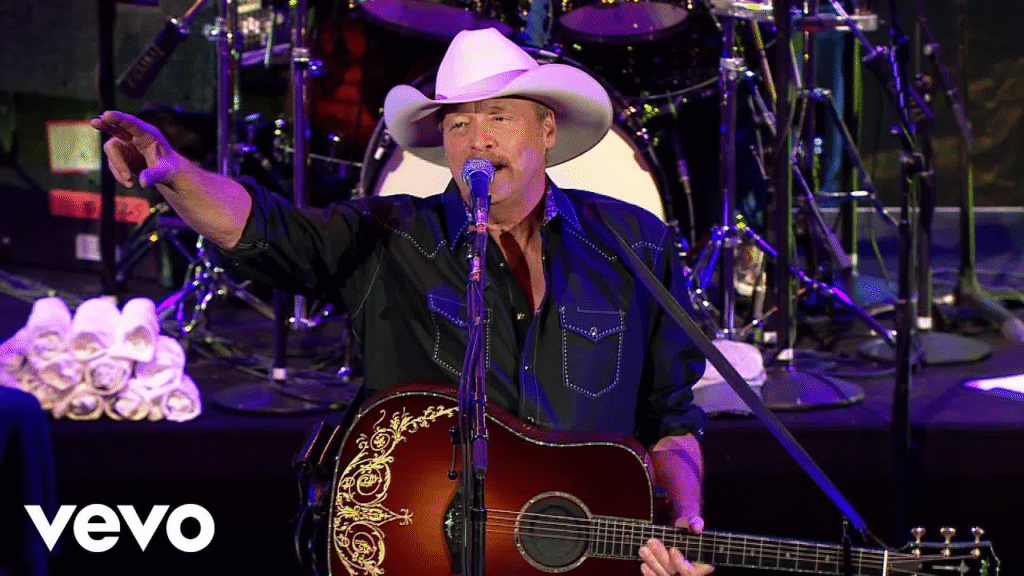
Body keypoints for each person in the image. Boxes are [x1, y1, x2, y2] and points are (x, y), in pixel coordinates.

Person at [91, 28, 712, 576]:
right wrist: (174, 173)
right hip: (415, 546)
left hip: (573, 554)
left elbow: (671, 418)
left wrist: (680, 517)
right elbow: (264, 230)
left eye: (499, 117)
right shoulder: (389, 235)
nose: (478, 139)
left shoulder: (634, 244)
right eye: (458, 124)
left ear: (547, 130)